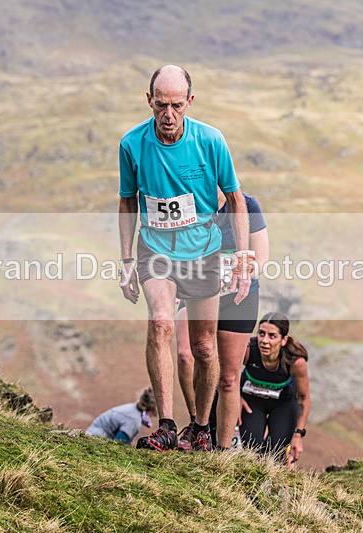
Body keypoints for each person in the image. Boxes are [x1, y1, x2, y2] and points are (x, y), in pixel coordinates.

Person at [118, 65, 252, 452]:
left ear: (189, 102)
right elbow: (128, 201)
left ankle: (201, 427)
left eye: (177, 105)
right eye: (161, 105)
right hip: (156, 249)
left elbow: (236, 198)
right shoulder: (132, 144)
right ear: (149, 101)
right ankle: (166, 426)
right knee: (160, 321)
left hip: (204, 251)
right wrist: (126, 259)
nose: (169, 114)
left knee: (204, 347)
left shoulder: (211, 140)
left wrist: (242, 255)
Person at [175, 190, 269, 450]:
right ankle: (197, 426)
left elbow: (261, 258)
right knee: (187, 355)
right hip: (198, 291)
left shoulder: (247, 204)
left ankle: (223, 448)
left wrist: (243, 272)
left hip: (238, 295)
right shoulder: (189, 203)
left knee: (228, 377)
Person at [239, 312, 310, 467]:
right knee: (252, 453)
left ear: (283, 340)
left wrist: (298, 435)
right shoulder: (247, 350)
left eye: (272, 336)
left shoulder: (295, 361)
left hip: (282, 405)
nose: (264, 341)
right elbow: (223, 374)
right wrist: (235, 398)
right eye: (261, 334)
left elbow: (303, 397)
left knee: (276, 456)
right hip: (251, 403)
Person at [85, 388, 157, 444]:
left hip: (92, 436)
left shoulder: (132, 409)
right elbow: (118, 444)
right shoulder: (133, 420)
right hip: (95, 441)